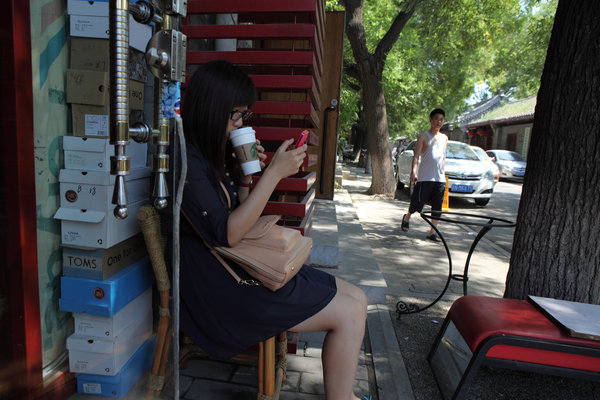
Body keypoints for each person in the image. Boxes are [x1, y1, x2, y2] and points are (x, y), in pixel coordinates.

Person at [168, 60, 368, 400]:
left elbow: (235, 218)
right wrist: (274, 175)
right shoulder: (185, 160)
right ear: (211, 109)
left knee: (358, 298)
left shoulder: (208, 154)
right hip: (217, 289)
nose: (240, 124)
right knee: (347, 311)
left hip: (234, 266)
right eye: (236, 115)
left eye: (244, 116)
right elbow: (228, 233)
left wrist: (246, 175)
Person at [400, 109, 448, 242]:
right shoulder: (423, 137)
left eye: (441, 119)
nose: (439, 121)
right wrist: (413, 171)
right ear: (430, 120)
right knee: (417, 203)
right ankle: (407, 217)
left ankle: (432, 232)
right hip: (425, 177)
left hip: (439, 179)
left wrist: (443, 173)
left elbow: (443, 157)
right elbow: (416, 156)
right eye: (436, 118)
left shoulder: (444, 138)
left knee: (437, 208)